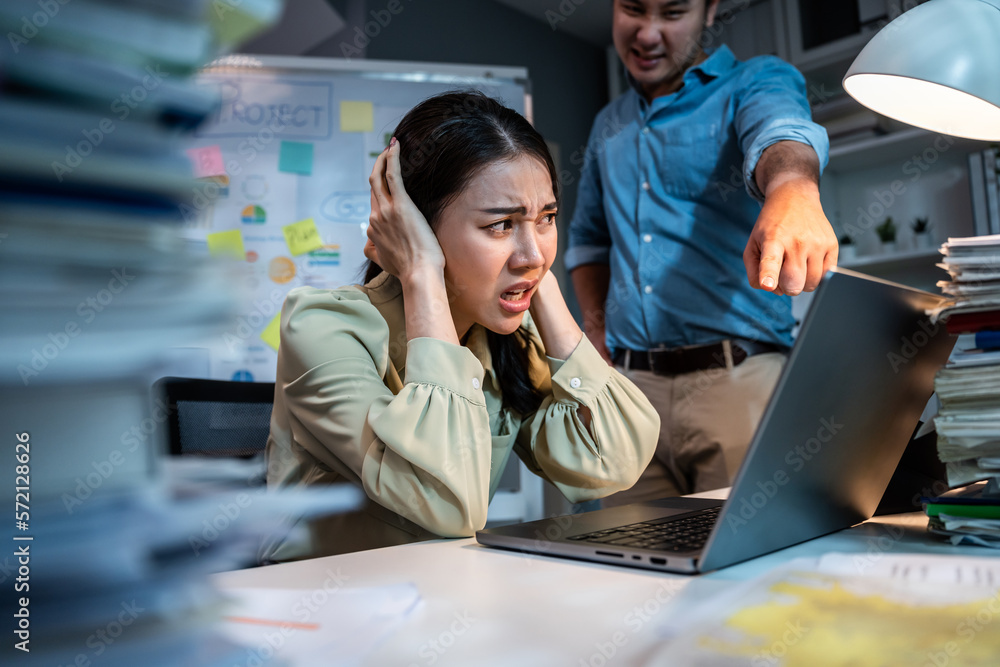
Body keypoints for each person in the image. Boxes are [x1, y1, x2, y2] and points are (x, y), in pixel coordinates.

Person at [266, 91, 659, 557]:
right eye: (500, 225)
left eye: (547, 218)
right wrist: (420, 271)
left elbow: (611, 462)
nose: (533, 253)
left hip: (439, 601)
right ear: (416, 226)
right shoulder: (322, 326)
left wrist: (540, 286)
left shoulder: (502, 336)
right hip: (321, 613)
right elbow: (446, 503)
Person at [567, 0, 838, 504]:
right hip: (629, 393)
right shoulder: (609, 123)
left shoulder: (754, 80)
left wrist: (794, 187)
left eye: (672, 13)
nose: (647, 34)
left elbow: (780, 129)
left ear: (710, 12)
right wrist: (597, 332)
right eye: (632, 9)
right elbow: (588, 240)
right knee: (629, 567)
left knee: (748, 571)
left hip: (737, 384)